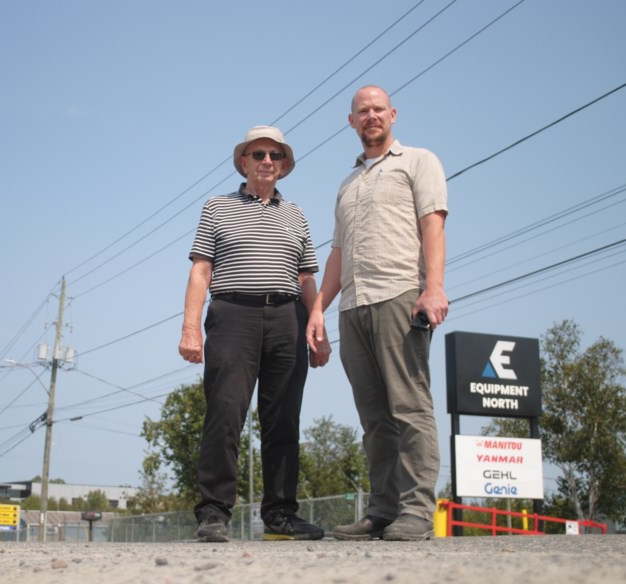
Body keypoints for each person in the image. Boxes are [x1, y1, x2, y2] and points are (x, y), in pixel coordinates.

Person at [307, 85, 449, 541]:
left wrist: (434, 288)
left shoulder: (419, 162)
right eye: (361, 111)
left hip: (399, 296)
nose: (370, 116)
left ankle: (416, 511)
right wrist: (317, 310)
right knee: (374, 418)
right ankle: (383, 511)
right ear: (351, 122)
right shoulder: (347, 184)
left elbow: (433, 225)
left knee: (410, 407)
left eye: (377, 109)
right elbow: (337, 253)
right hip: (353, 306)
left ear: (392, 114)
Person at [180, 125, 328, 542]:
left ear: (283, 166)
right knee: (225, 414)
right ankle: (213, 513)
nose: (267, 161)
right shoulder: (217, 207)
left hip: (288, 318)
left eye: (275, 155)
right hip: (233, 315)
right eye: (258, 154)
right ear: (244, 161)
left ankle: (280, 516)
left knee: (283, 420)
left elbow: (307, 278)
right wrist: (191, 327)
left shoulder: (296, 214)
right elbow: (201, 270)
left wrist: (318, 326)